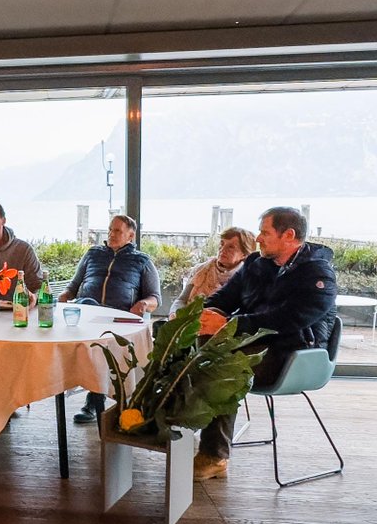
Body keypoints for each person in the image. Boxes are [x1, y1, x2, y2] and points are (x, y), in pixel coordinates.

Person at [193, 206, 337, 481]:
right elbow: (225, 297)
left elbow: (286, 320)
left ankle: (214, 455)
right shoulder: (257, 265)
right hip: (251, 344)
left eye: (264, 232)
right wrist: (206, 314)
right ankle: (167, 426)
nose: (257, 238)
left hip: (293, 356)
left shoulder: (318, 276)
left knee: (222, 367)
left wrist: (229, 325)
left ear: (289, 235)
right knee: (188, 346)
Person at [59, 213, 162, 424]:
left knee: (100, 345)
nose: (111, 235)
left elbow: (155, 297)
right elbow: (73, 285)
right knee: (87, 309)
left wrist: (144, 304)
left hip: (117, 320)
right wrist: (63, 297)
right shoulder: (93, 254)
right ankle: (73, 386)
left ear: (130, 236)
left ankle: (94, 401)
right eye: (110, 230)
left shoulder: (142, 261)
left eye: (117, 231)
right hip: (86, 315)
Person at [167, 226, 256, 315]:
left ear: (244, 254)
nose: (222, 250)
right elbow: (181, 300)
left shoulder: (246, 279)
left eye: (231, 247)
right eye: (222, 244)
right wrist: (174, 314)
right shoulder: (201, 269)